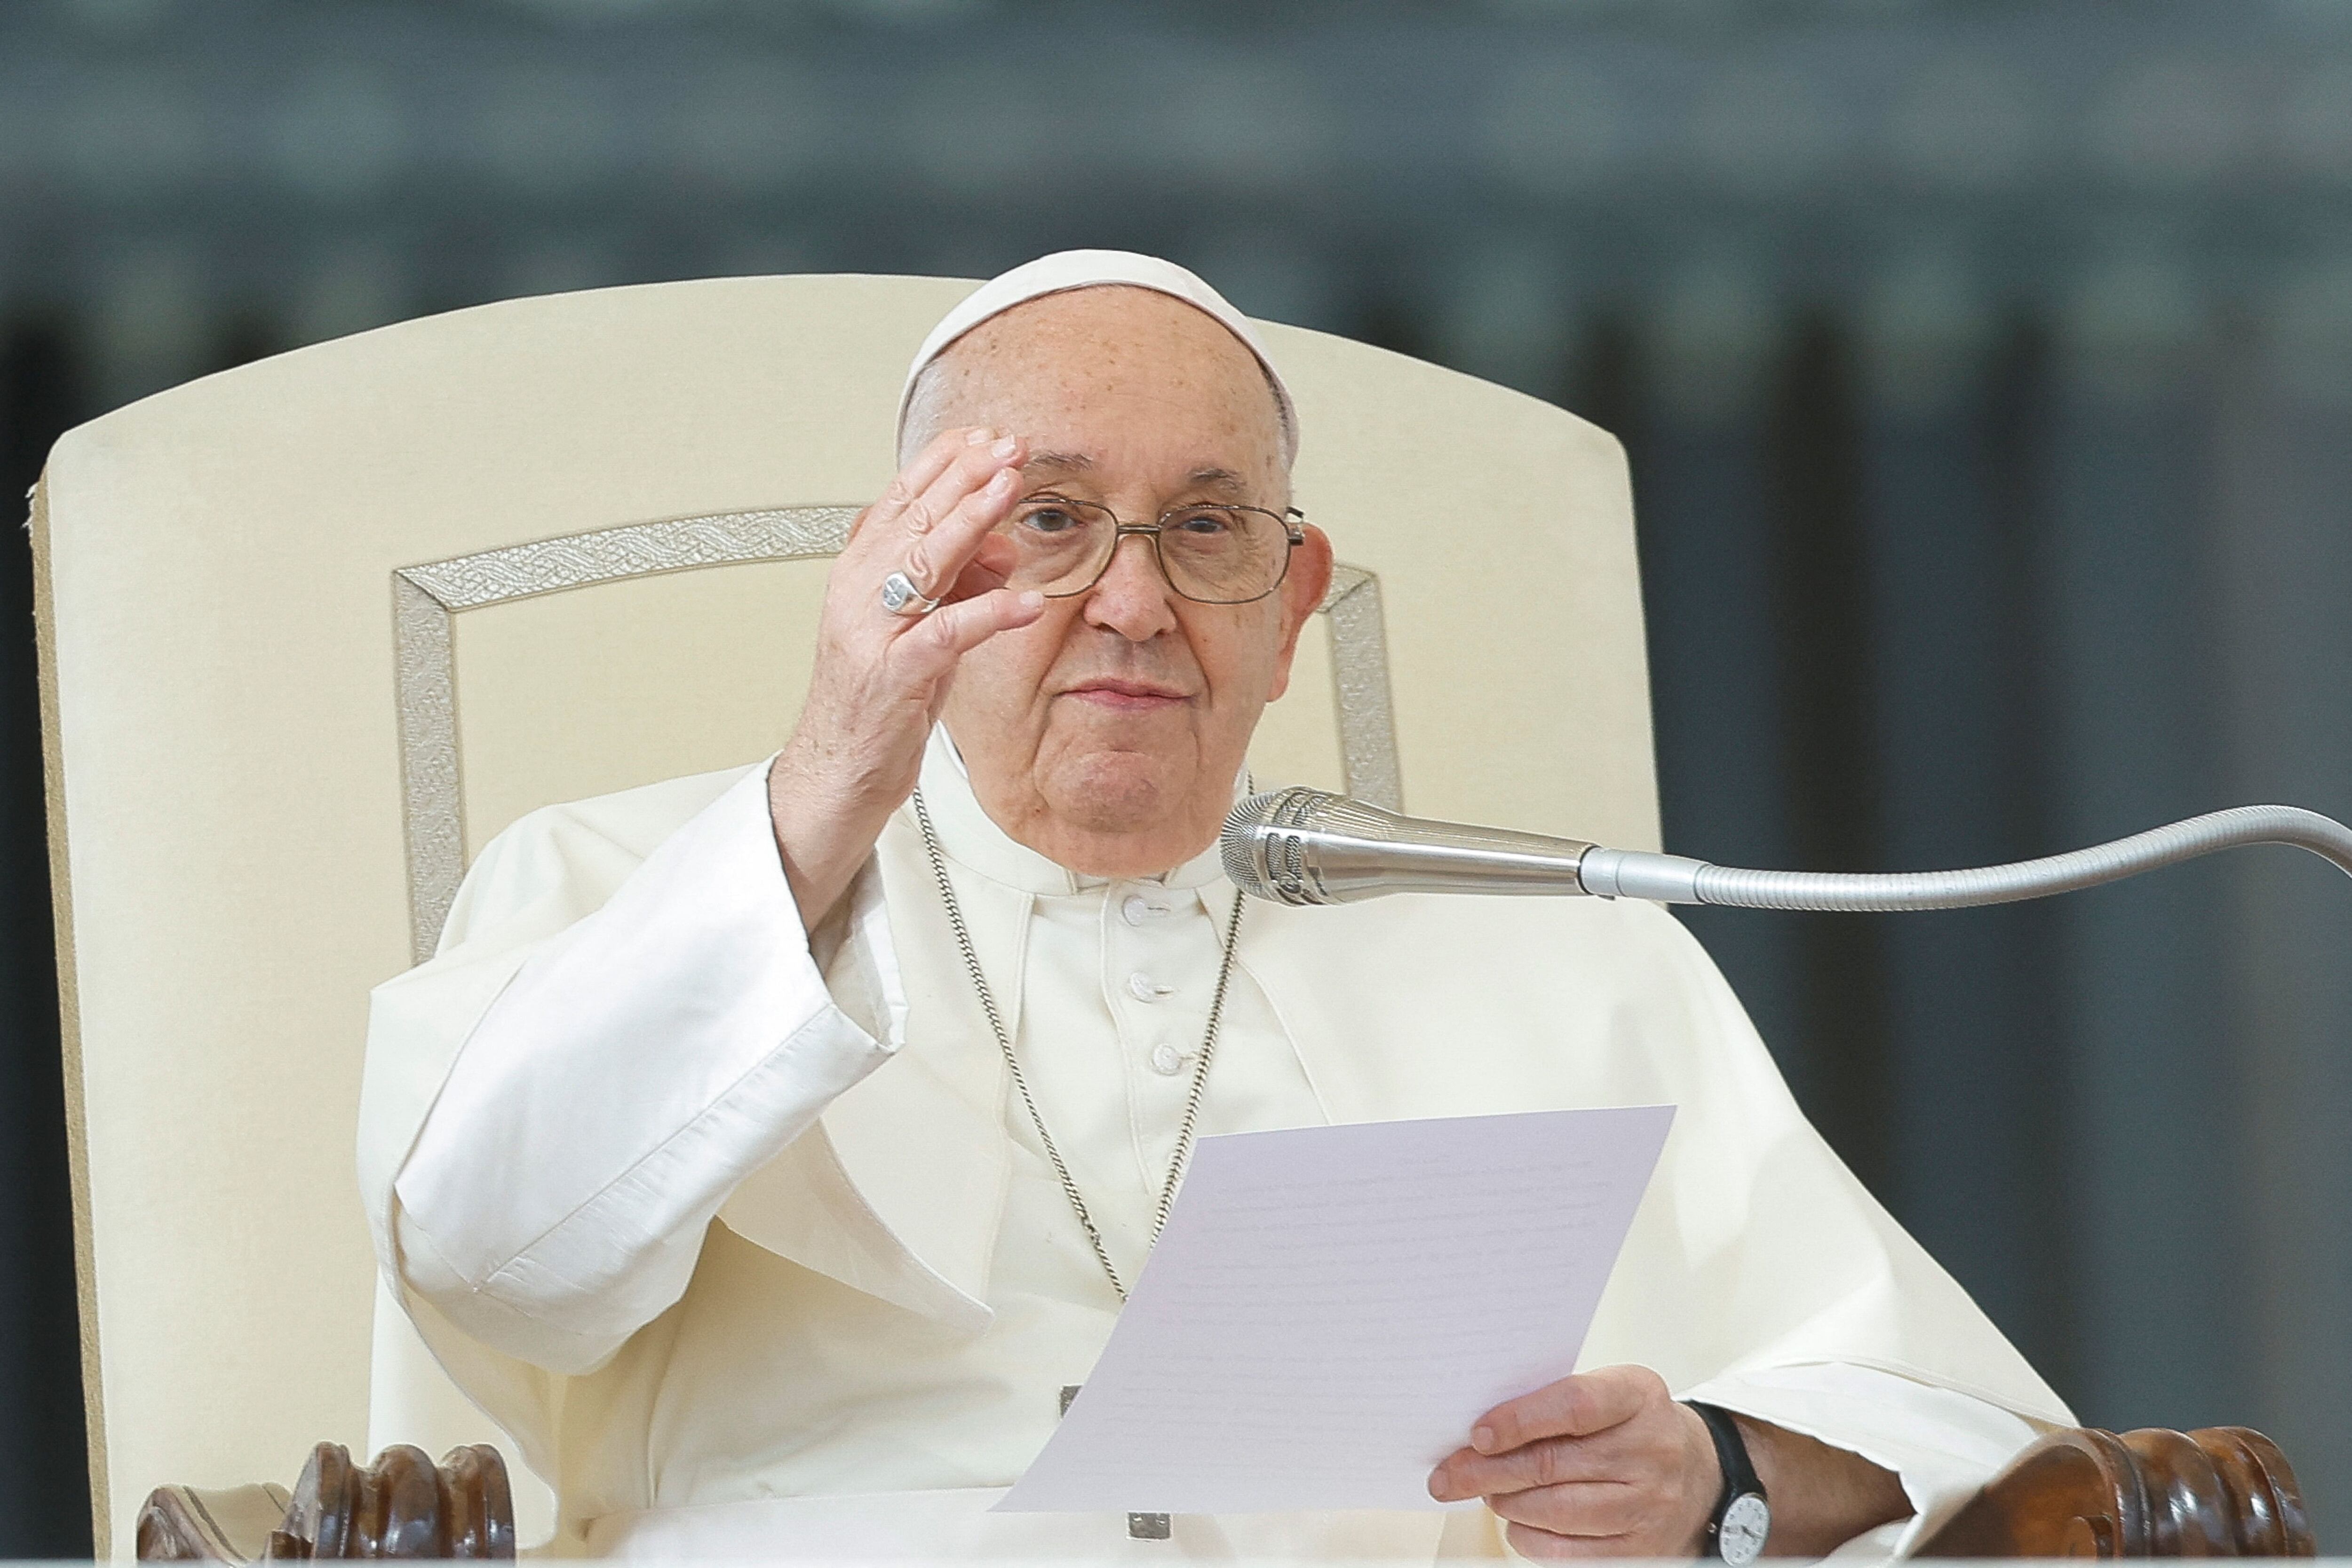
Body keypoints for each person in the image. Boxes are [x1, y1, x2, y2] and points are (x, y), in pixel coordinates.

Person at [358, 251, 2070, 1560]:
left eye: (1205, 529)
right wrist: (821, 801)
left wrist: (1716, 1474)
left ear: (1292, 597)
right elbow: (496, 1265)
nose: (1130, 601)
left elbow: (1958, 1430)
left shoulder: (1560, 949)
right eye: (1046, 521)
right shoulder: (614, 882)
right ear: (911, 562)